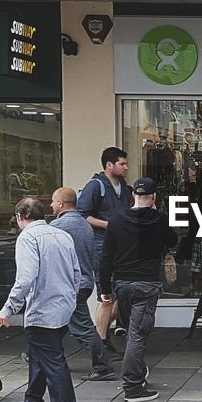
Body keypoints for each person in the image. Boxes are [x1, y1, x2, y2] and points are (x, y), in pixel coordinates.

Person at [0, 196, 82, 402]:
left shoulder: (28, 238)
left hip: (43, 308)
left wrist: (9, 307)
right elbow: (77, 273)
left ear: (19, 216)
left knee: (52, 361)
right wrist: (71, 299)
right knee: (39, 354)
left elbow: (25, 277)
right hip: (63, 306)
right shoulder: (62, 235)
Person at [98, 177, 178, 402]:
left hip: (122, 284)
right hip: (147, 284)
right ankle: (133, 387)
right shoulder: (159, 219)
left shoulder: (116, 220)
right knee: (137, 336)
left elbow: (106, 258)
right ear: (153, 197)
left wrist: (105, 289)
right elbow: (172, 240)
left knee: (131, 332)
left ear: (133, 195)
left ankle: (138, 374)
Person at [50, 187, 117, 381]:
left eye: (53, 201)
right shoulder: (84, 224)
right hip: (84, 281)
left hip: (70, 284)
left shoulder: (59, 227)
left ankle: (103, 365)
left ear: (61, 203)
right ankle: (39, 354)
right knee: (58, 323)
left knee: (83, 328)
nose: (51, 205)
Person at [76, 147, 133, 356]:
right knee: (106, 295)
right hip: (101, 245)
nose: (126, 167)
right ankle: (100, 342)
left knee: (119, 294)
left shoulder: (124, 187)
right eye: (122, 164)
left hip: (120, 246)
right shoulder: (95, 186)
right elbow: (82, 215)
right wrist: (109, 225)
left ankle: (99, 336)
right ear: (109, 165)